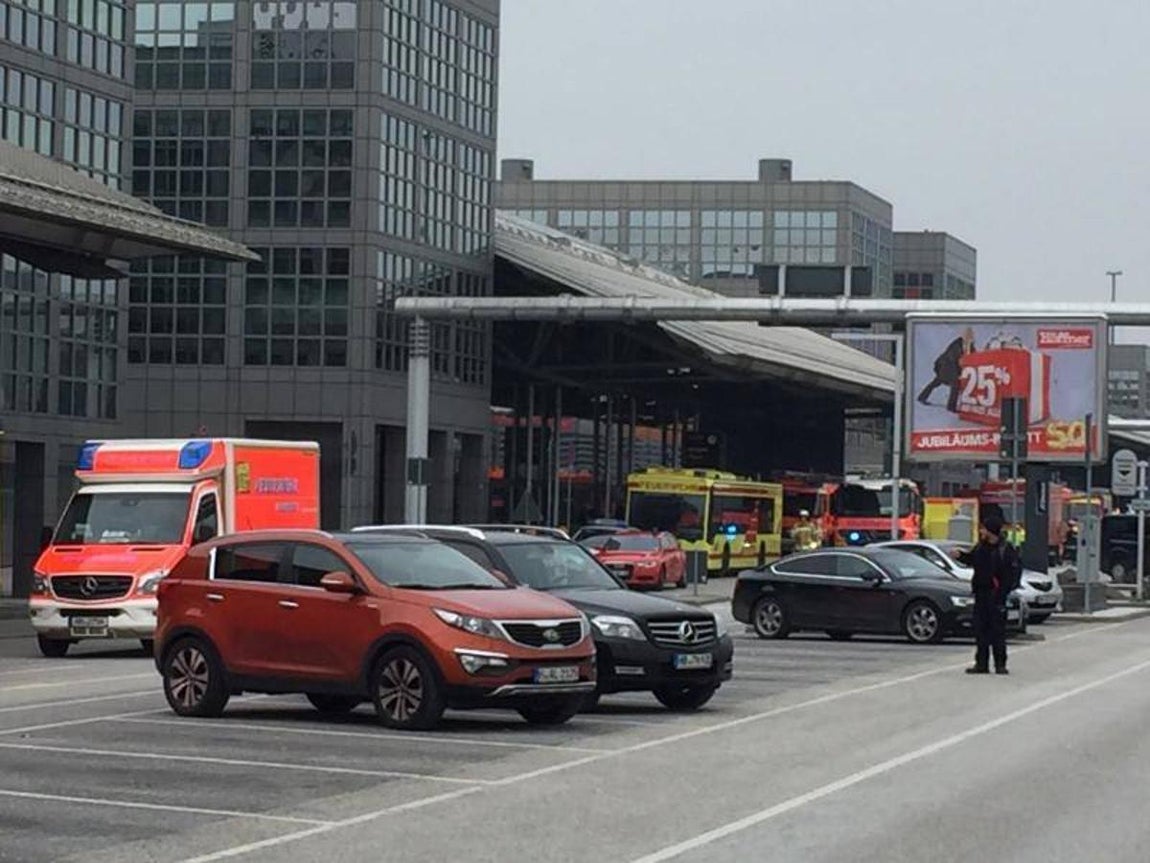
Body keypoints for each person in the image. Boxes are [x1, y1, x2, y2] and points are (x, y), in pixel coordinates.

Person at [951, 514, 1021, 675]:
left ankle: (1000, 664)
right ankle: (981, 664)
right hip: (981, 594)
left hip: (997, 596)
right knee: (981, 631)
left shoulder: (1006, 549)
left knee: (997, 632)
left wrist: (1004, 591)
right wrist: (960, 556)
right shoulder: (981, 547)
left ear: (991, 531)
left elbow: (1013, 572)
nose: (981, 531)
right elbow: (972, 560)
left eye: (984, 528)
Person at [917, 327, 975, 412]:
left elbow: (973, 356)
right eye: (967, 335)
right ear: (963, 336)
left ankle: (922, 397)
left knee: (936, 382)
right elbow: (951, 359)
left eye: (970, 336)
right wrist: (958, 374)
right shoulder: (956, 345)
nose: (969, 338)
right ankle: (951, 407)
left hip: (950, 369)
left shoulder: (971, 346)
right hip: (947, 367)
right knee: (954, 385)